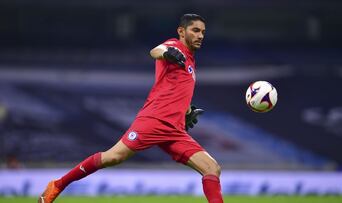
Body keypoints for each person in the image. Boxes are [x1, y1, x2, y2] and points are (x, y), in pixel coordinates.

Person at [38, 14, 223, 203]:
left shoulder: (191, 61)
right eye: (195, 30)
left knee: (212, 168)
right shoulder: (176, 47)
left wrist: (186, 112)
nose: (200, 35)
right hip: (154, 120)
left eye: (203, 32)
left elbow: (174, 90)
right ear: (181, 32)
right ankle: (58, 184)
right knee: (113, 157)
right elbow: (156, 51)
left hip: (175, 129)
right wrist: (167, 53)